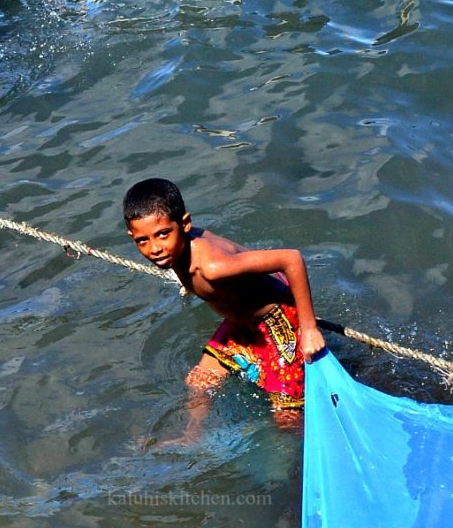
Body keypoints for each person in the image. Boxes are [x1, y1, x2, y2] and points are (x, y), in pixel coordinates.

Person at [122, 176, 327, 418]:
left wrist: (309, 328)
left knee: (286, 415)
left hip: (279, 318)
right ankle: (191, 437)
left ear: (185, 224)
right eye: (142, 241)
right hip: (241, 321)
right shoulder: (176, 249)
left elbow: (291, 259)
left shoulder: (213, 267)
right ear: (131, 236)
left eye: (163, 234)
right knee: (200, 383)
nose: (154, 248)